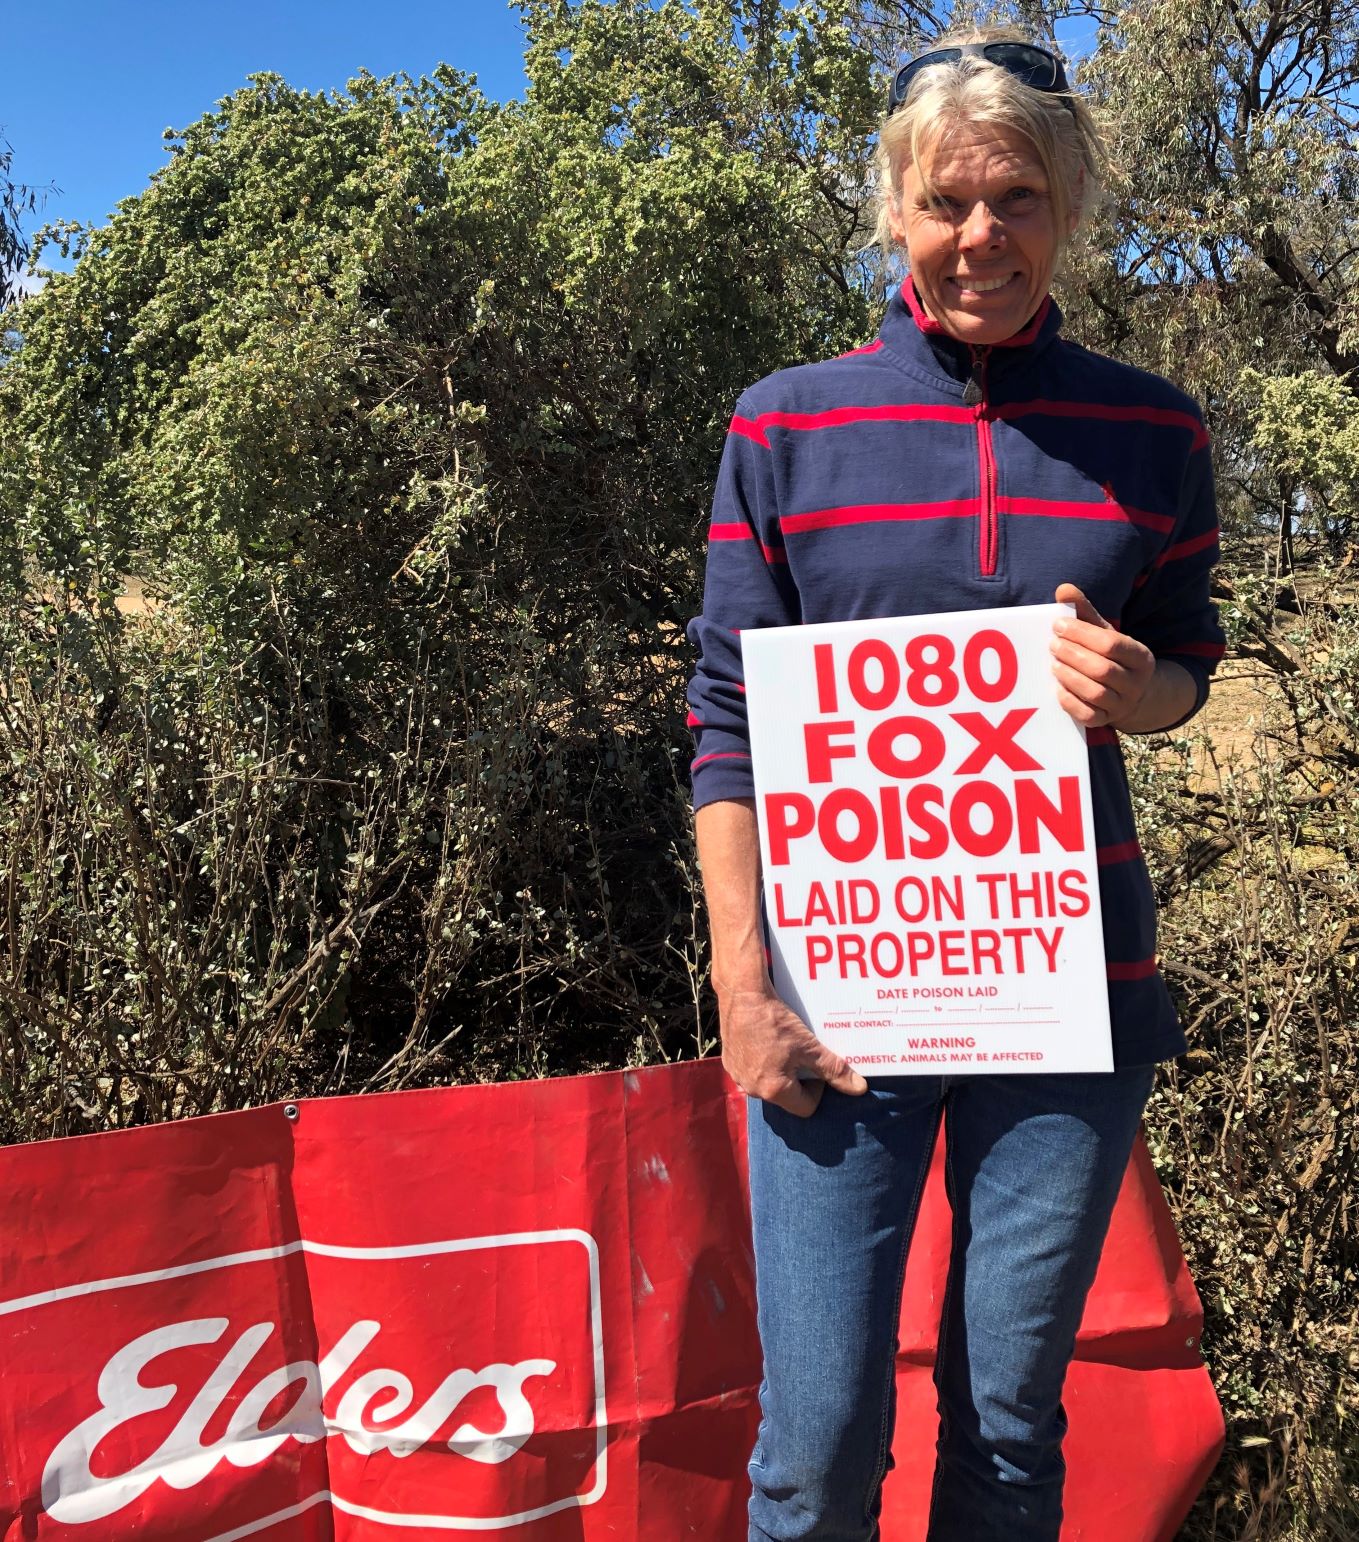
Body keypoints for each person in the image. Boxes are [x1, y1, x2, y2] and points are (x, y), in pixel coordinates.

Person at [686, 26, 1225, 1542]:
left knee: (1005, 1423)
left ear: (1066, 207)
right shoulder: (783, 424)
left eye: (1019, 199)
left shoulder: (1154, 428)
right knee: (817, 1443)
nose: (981, 234)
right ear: (897, 210)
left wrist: (1146, 688)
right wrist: (742, 975)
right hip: (832, 999)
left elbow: (1191, 660)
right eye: (948, 201)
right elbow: (726, 713)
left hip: (1072, 1005)